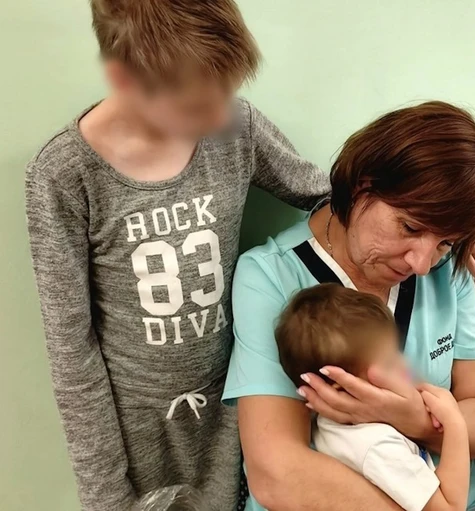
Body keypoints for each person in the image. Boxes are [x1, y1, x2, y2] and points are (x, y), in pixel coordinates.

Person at [24, 1, 332, 509]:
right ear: (124, 79)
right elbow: (70, 347)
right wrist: (106, 494)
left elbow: (326, 195)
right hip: (138, 430)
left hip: (235, 398)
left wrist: (445, 226)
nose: (218, 118)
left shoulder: (236, 127)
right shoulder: (64, 175)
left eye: (226, 96)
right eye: (195, 108)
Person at [224, 101, 475, 511]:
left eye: (445, 242)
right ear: (362, 185)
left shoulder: (448, 269)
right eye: (410, 227)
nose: (421, 265)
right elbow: (278, 474)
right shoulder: (271, 276)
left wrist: (413, 418)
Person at [276, 283, 471, 511]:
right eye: (389, 363)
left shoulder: (331, 428)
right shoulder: (379, 448)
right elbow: (450, 508)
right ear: (342, 388)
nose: (404, 365)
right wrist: (454, 424)